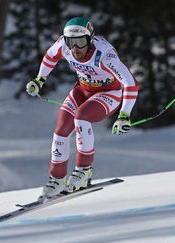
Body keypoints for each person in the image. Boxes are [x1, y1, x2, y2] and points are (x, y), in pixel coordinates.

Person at [26, 17, 138, 198]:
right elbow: (50, 57)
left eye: (80, 42)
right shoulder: (64, 45)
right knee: (61, 129)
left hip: (109, 94)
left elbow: (130, 83)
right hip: (83, 90)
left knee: (81, 116)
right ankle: (57, 178)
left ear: (91, 39)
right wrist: (40, 80)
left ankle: (84, 169)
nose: (75, 48)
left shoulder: (105, 55)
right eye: (71, 42)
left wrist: (124, 115)